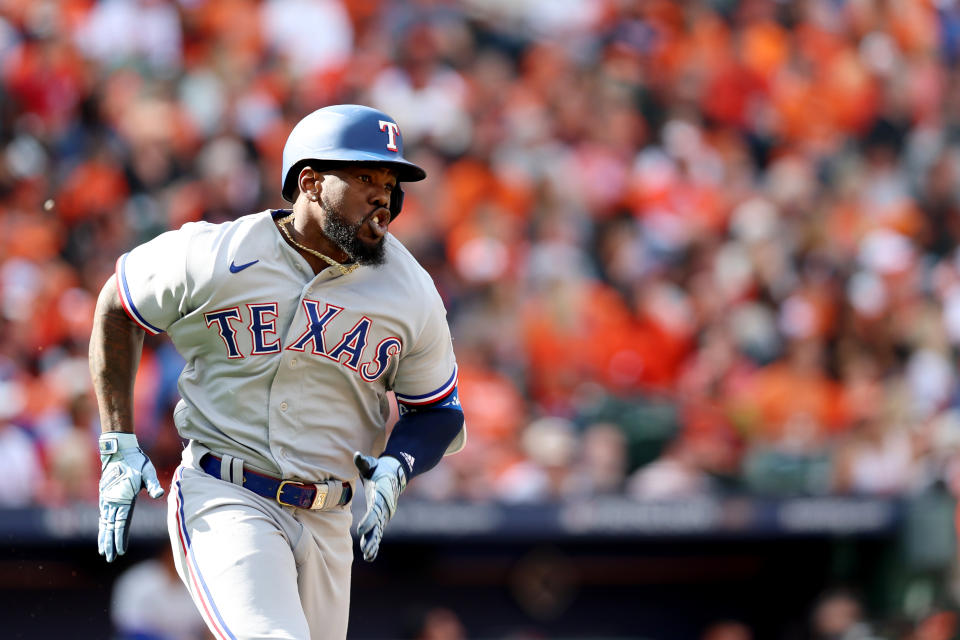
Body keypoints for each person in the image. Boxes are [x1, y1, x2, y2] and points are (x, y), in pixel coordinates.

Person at [89, 104, 466, 640]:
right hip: (227, 493)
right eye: (365, 177)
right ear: (310, 182)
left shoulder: (411, 291)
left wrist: (399, 463)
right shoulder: (219, 252)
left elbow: (437, 411)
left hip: (329, 517)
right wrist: (117, 442)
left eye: (391, 181)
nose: (384, 195)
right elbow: (118, 304)